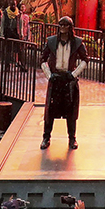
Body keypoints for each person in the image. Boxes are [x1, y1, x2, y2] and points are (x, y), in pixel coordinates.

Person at [40, 17, 88, 150]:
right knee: (50, 111)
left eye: (66, 25)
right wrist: (50, 75)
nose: (63, 27)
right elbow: (43, 59)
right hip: (55, 79)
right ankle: (46, 137)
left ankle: (72, 138)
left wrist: (73, 74)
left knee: (71, 112)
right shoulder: (51, 41)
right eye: (61, 25)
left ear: (70, 27)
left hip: (69, 80)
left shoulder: (77, 42)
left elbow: (85, 59)